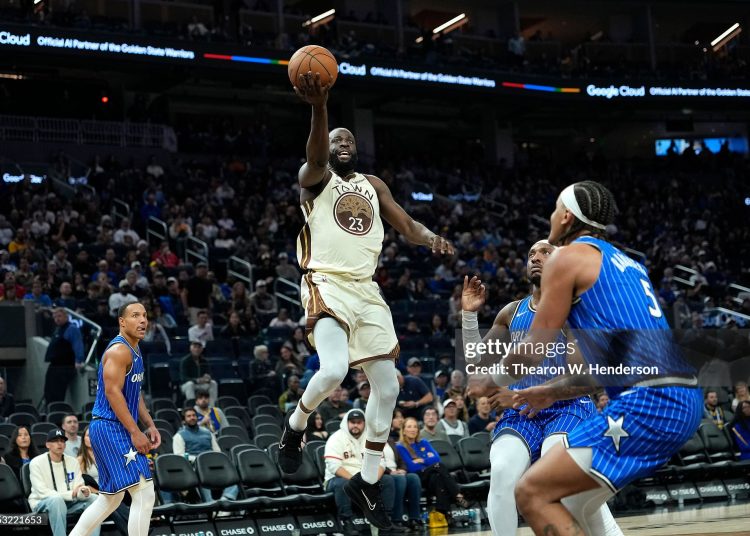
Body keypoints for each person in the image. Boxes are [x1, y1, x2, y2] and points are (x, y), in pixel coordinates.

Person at [278, 70, 453, 531]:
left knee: (389, 387)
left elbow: (407, 224)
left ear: (356, 149)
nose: (341, 143)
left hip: (367, 290)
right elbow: (314, 153)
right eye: (335, 138)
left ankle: (368, 485)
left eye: (348, 139)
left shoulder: (373, 185)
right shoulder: (313, 181)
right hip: (327, 282)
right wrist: (319, 107)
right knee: (334, 370)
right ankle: (295, 427)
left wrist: (432, 238)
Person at [493, 181, 702, 534]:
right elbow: (603, 368)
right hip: (681, 396)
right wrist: (551, 391)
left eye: (554, 207)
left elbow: (532, 349)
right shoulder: (628, 264)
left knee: (531, 492)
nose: (549, 215)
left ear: (566, 216)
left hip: (648, 399)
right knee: (574, 502)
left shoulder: (568, 257)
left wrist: (488, 379)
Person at [463, 238, 620, 536]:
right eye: (531, 252)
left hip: (568, 407)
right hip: (521, 411)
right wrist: (469, 316)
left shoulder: (575, 310)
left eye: (546, 252)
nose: (536, 256)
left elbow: (582, 375)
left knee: (562, 483)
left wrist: (522, 393)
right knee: (502, 472)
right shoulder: (511, 312)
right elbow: (477, 366)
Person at [69, 302, 160, 536]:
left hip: (112, 426)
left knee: (110, 499)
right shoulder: (119, 350)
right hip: (110, 427)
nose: (143, 320)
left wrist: (149, 423)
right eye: (135, 316)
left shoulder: (135, 349)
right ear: (122, 321)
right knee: (144, 492)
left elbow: (134, 392)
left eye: (145, 316)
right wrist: (135, 431)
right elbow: (112, 392)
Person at [323, 409, 394, 535]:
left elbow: (381, 463)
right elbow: (334, 467)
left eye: (359, 422)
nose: (355, 425)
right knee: (343, 484)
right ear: (346, 423)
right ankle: (347, 521)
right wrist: (356, 482)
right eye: (352, 422)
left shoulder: (370, 438)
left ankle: (385, 518)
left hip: (365, 478)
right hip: (337, 479)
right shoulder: (335, 438)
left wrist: (373, 480)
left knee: (388, 480)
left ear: (364, 423)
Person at [29, 428, 99, 536]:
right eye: (55, 440)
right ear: (47, 445)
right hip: (42, 503)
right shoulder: (36, 463)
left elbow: (78, 488)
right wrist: (71, 494)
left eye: (62, 441)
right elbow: (42, 492)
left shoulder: (72, 462)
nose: (59, 443)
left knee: (94, 499)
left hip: (70, 503)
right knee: (56, 500)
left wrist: (83, 491)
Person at [395, 417, 468, 519]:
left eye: (415, 427)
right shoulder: (400, 446)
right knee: (439, 467)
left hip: (431, 475)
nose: (413, 429)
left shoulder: (423, 442)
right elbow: (412, 467)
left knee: (438, 478)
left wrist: (422, 460)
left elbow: (437, 458)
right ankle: (457, 495)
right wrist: (428, 459)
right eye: (409, 427)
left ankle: (444, 514)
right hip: (417, 477)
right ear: (403, 431)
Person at [166, 408, 239, 503]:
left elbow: (217, 451)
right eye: (189, 416)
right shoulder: (179, 436)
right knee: (201, 473)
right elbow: (180, 456)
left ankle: (226, 500)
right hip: (194, 467)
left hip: (212, 465)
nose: (192, 418)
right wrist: (199, 459)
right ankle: (211, 505)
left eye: (194, 415)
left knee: (233, 473)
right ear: (184, 420)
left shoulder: (208, 433)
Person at [77, 426, 130, 535]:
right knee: (112, 506)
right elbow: (81, 484)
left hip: (112, 492)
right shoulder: (80, 460)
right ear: (83, 439)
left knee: (114, 502)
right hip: (95, 495)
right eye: (88, 436)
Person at [44, 307, 85, 404]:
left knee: (57, 395)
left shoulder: (72, 329)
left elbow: (78, 345)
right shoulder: (58, 329)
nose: (57, 319)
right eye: (55, 317)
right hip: (54, 366)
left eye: (59, 316)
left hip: (64, 367)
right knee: (48, 393)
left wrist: (78, 361)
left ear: (66, 317)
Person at [382, 440, 422, 531]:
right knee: (399, 479)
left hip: (397, 472)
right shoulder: (369, 442)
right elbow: (375, 463)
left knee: (413, 478)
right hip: (383, 473)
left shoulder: (391, 442)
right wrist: (390, 472)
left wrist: (403, 469)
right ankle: (397, 520)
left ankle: (414, 518)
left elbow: (401, 460)